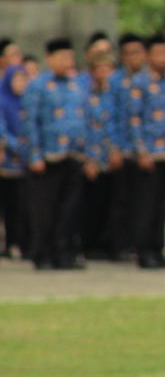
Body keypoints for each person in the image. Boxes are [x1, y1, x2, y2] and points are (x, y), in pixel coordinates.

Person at [22, 38, 92, 270]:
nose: (67, 62)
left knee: (69, 209)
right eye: (63, 57)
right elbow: (30, 123)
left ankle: (64, 253)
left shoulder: (76, 85)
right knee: (44, 209)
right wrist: (34, 155)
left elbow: (84, 120)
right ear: (50, 59)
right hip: (47, 157)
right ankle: (42, 254)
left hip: (72, 155)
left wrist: (87, 154)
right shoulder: (38, 86)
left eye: (70, 58)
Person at [127, 35, 165, 269]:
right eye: (158, 54)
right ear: (149, 56)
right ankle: (144, 251)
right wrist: (141, 151)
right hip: (150, 154)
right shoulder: (139, 83)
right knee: (146, 205)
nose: (163, 58)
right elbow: (134, 119)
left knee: (164, 206)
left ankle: (159, 250)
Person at [109, 33, 146, 259]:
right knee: (119, 200)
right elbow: (110, 116)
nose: (135, 57)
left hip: (142, 150)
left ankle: (135, 243)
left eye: (139, 52)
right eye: (130, 53)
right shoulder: (115, 81)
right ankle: (117, 245)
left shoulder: (146, 80)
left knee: (139, 201)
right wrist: (113, 147)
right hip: (121, 147)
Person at [81, 52, 120, 260]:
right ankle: (90, 244)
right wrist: (88, 159)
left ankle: (111, 244)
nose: (104, 73)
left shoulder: (119, 96)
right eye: (100, 69)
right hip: (94, 157)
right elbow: (84, 129)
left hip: (115, 156)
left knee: (113, 203)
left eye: (108, 68)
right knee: (93, 203)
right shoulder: (86, 96)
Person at [1, 64, 30, 259]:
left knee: (25, 205)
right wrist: (17, 146)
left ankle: (24, 242)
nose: (20, 83)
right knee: (9, 204)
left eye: (23, 79)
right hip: (7, 163)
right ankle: (10, 242)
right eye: (16, 79)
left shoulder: (29, 101)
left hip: (27, 162)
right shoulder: (2, 101)